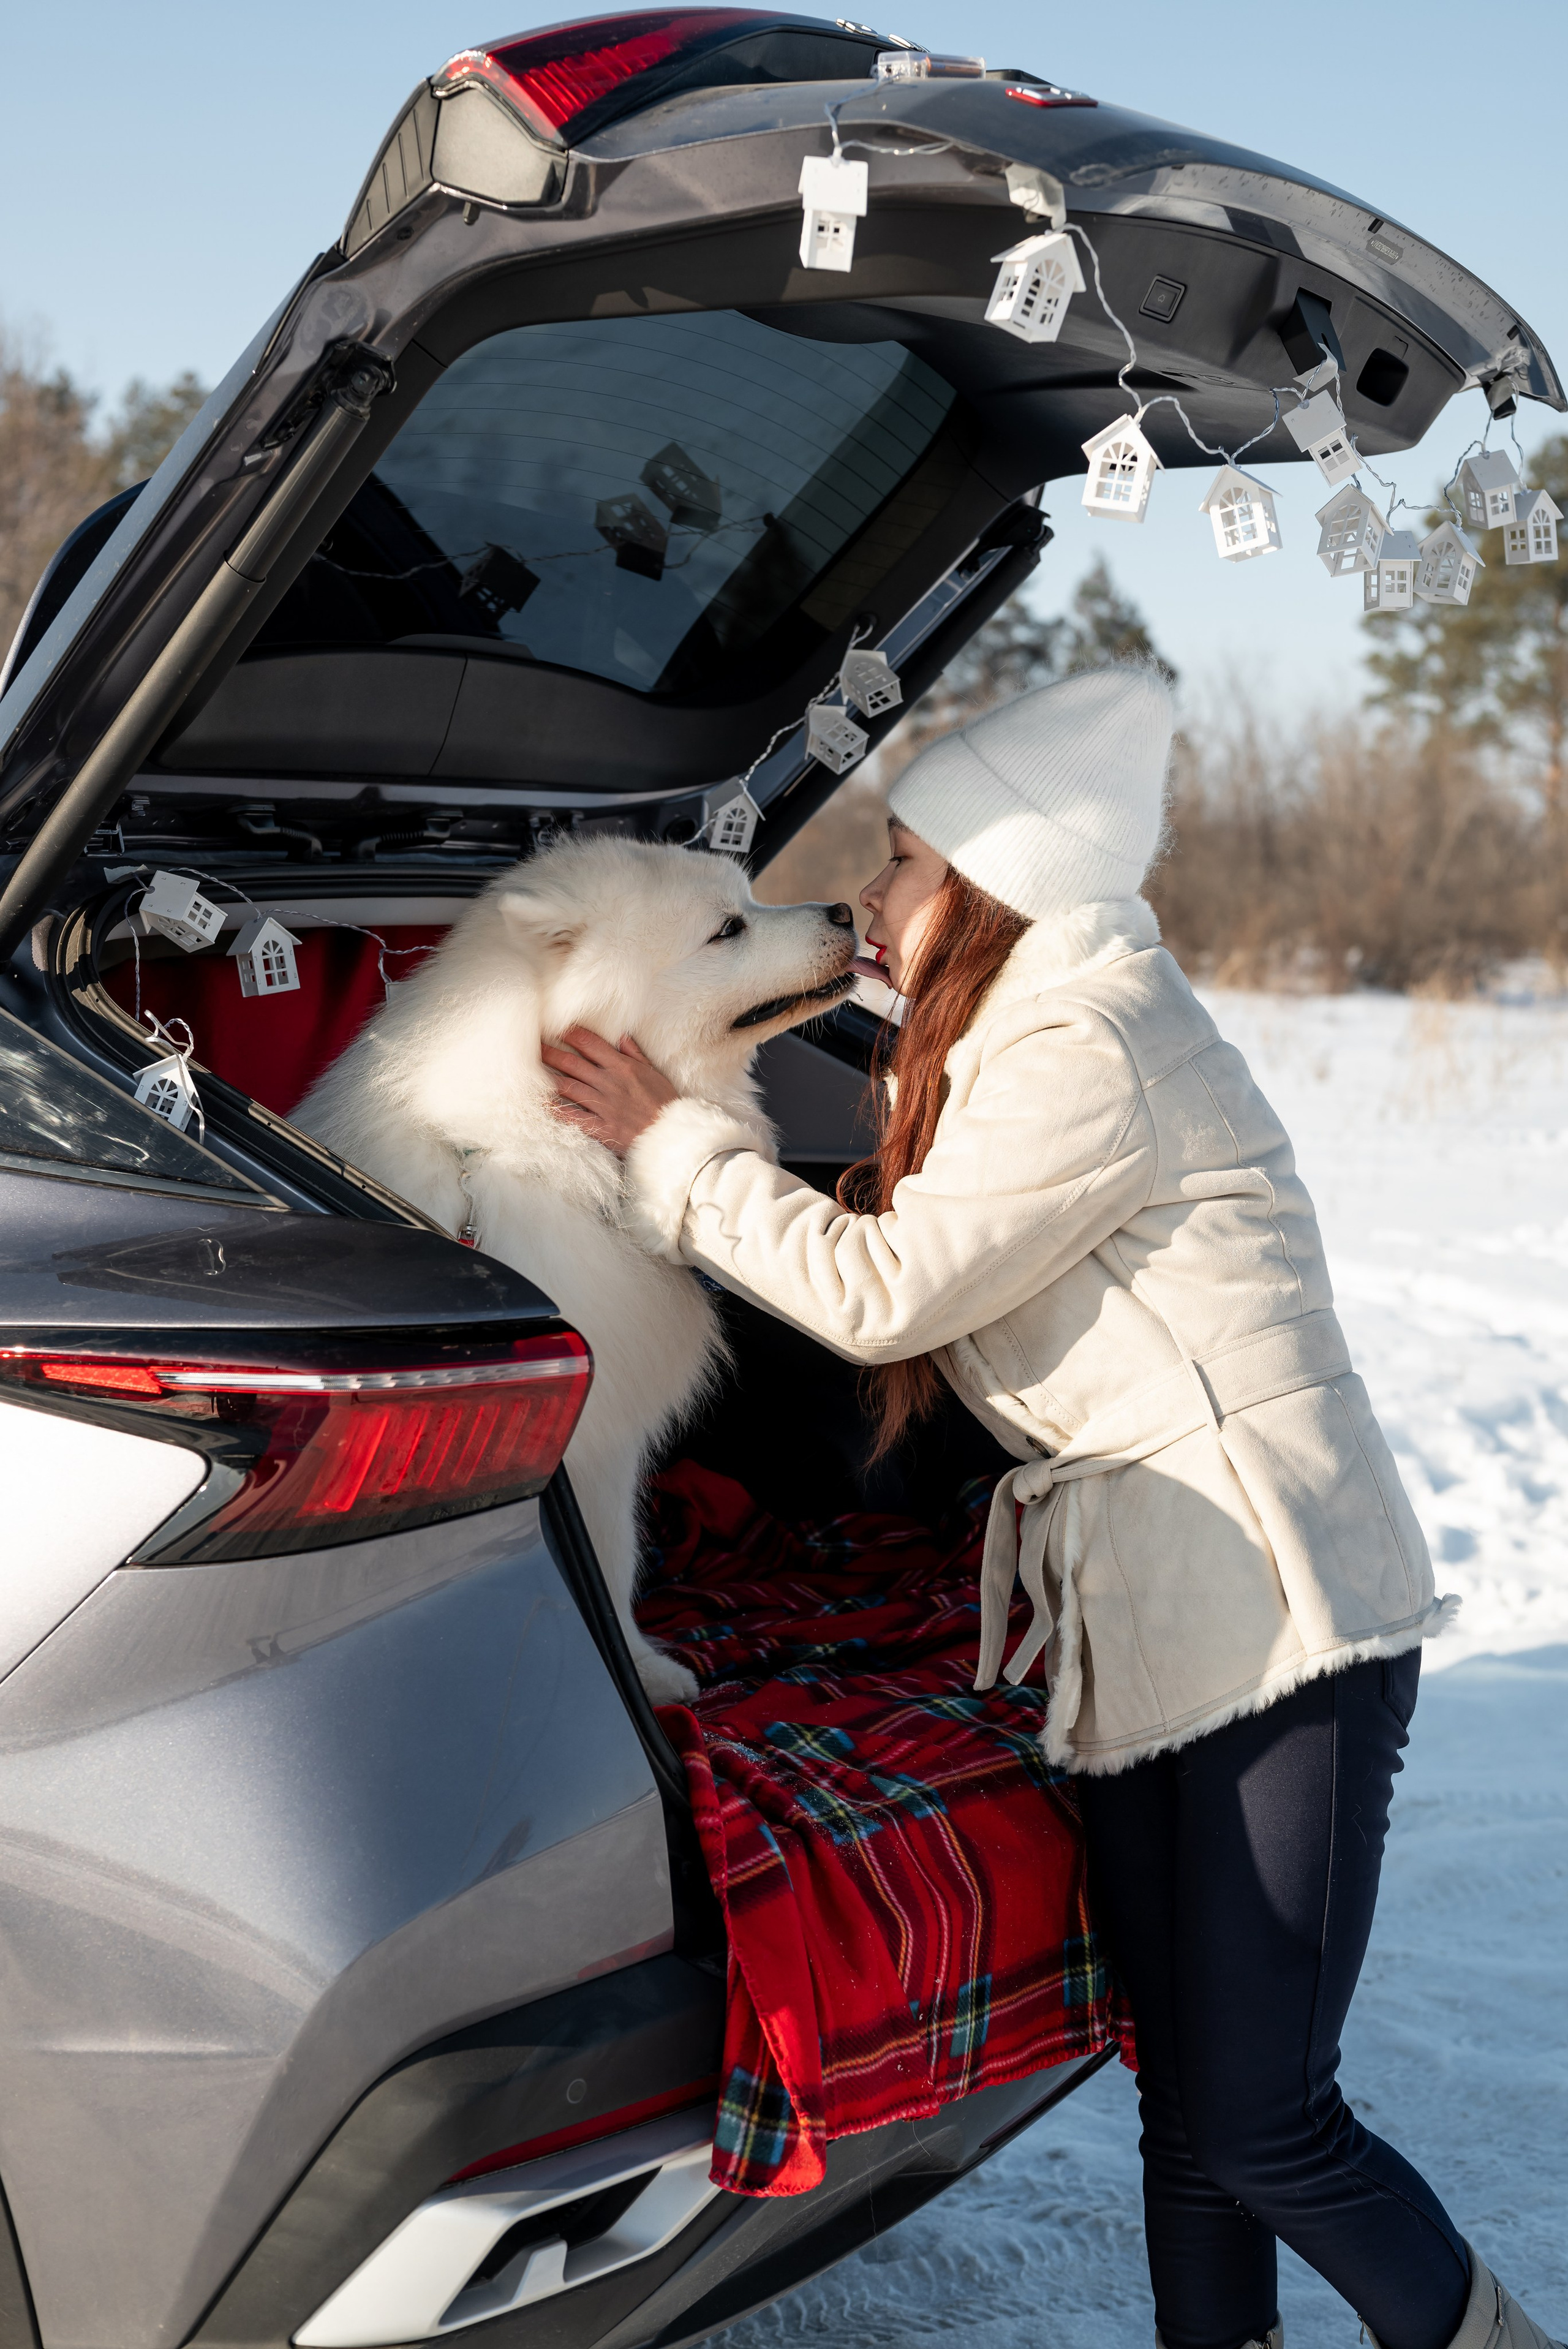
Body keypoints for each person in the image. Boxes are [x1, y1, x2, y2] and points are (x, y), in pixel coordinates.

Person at [543, 666, 1562, 2349]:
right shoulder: (1023, 1033)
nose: (871, 892)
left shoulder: (1087, 1041)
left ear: (998, 883)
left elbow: (885, 1293)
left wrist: (675, 1150)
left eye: (905, 862)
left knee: (1262, 2118)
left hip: (1280, 1626)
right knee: (1191, 2104)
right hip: (1157, 1619)